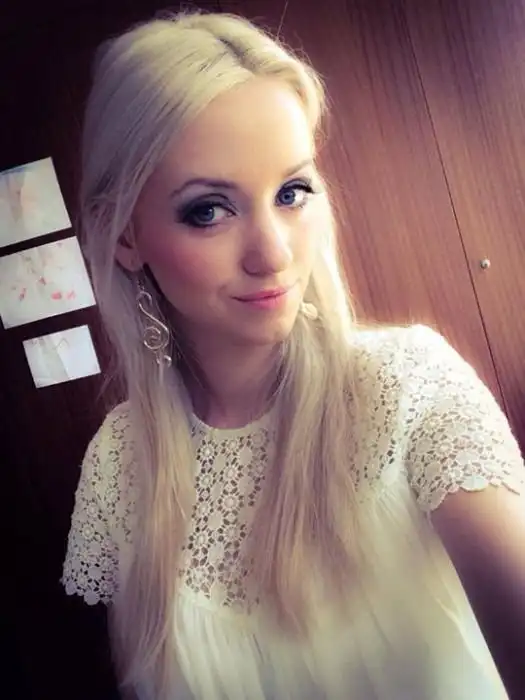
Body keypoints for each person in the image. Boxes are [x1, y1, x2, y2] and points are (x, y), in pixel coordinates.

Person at [61, 10, 525, 700]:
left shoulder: (408, 385)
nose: (273, 253)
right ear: (126, 237)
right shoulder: (117, 464)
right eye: (208, 210)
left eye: (291, 192)